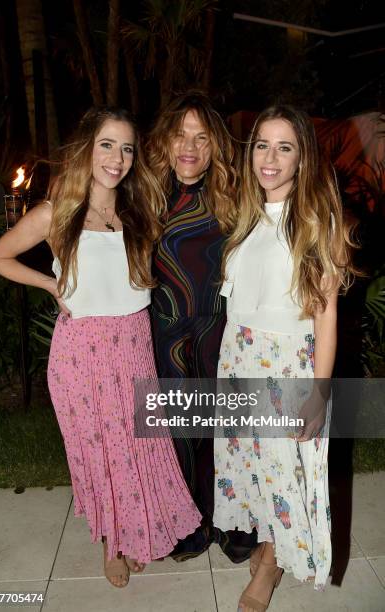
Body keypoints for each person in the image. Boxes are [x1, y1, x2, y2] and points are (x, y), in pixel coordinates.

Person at [0, 107, 202, 588]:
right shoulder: (57, 210)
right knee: (102, 451)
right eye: (107, 144)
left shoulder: (137, 209)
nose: (117, 157)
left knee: (138, 446)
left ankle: (137, 527)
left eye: (126, 148)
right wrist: (50, 283)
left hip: (134, 340)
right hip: (82, 350)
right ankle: (113, 543)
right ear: (87, 147)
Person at [213, 105, 354, 611]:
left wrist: (318, 393)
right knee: (253, 464)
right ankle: (268, 542)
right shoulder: (247, 214)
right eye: (262, 146)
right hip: (240, 357)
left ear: (302, 159)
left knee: (283, 470)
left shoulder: (317, 218)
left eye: (285, 147)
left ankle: (270, 565)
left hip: (286, 366)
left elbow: (325, 318)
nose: (270, 158)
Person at [147, 92, 258, 561]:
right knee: (179, 432)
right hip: (166, 331)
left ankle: (234, 523)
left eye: (201, 137)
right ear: (165, 143)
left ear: (215, 147)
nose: (189, 147)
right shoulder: (142, 195)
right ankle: (190, 522)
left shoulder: (235, 196)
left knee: (227, 429)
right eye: (180, 135)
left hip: (220, 331)